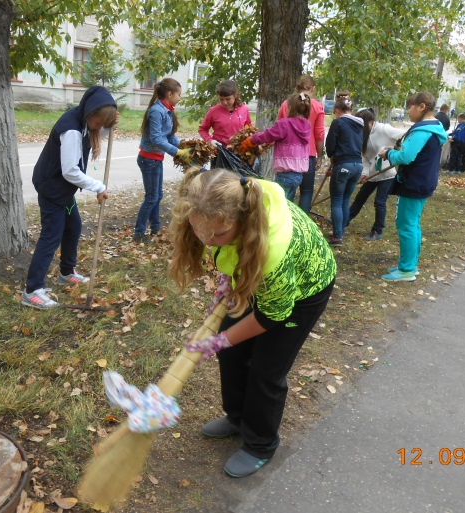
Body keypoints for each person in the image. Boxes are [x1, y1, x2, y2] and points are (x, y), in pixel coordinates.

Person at [168, 167, 336, 478]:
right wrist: (226, 283)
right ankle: (238, 417)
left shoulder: (273, 249)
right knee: (231, 352)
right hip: (260, 276)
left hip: (303, 290)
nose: (207, 240)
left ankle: (261, 443)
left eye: (217, 235)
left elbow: (272, 314)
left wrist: (220, 339)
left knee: (265, 369)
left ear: (242, 222)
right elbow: (230, 251)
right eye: (199, 230)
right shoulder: (226, 210)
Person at [22, 86, 118, 309]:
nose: (99, 129)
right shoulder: (72, 130)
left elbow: (96, 130)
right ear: (90, 114)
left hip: (63, 190)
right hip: (52, 188)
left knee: (73, 226)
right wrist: (98, 186)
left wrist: (110, 124)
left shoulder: (82, 119)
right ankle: (32, 289)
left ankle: (66, 272)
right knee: (51, 236)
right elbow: (70, 171)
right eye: (99, 124)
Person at [377, 91, 447, 282]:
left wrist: (389, 154)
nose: (408, 110)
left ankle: (407, 269)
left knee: (406, 225)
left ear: (422, 106)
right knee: (412, 224)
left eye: (410, 106)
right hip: (424, 181)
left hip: (414, 183)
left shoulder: (421, 131)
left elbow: (406, 157)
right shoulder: (435, 127)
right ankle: (410, 265)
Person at [134, 78, 192, 244]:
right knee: (152, 197)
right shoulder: (156, 111)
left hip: (155, 159)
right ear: (169, 94)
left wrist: (183, 145)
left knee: (157, 196)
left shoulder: (167, 110)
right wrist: (177, 152)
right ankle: (139, 233)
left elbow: (168, 135)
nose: (180, 98)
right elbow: (157, 138)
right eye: (179, 94)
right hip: (148, 159)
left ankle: (155, 228)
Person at [347, 108, 406, 241]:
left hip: (387, 173)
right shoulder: (363, 135)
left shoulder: (384, 129)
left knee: (379, 202)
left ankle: (377, 231)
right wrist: (364, 173)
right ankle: (344, 221)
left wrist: (397, 149)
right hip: (373, 174)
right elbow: (366, 158)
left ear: (371, 121)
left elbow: (405, 135)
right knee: (360, 198)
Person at [241, 93, 311, 201]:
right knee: (288, 205)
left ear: (290, 108)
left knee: (278, 203)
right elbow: (290, 139)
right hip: (298, 175)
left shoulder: (285, 124)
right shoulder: (307, 125)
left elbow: (268, 135)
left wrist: (252, 139)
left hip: (285, 175)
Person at [277, 75, 325, 213]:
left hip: (288, 156)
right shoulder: (317, 107)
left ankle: (285, 220)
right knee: (306, 191)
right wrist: (319, 156)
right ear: (313, 89)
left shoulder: (286, 104)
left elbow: (279, 127)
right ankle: (303, 223)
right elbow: (319, 134)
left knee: (286, 192)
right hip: (308, 155)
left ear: (296, 88)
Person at [324, 97, 364, 247]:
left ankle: (337, 236)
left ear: (338, 111)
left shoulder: (338, 122)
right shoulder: (360, 125)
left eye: (335, 112)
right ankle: (341, 230)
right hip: (357, 165)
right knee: (345, 200)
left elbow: (330, 144)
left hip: (343, 165)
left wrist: (332, 156)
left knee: (336, 200)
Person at [198, 80, 252, 169]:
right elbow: (202, 129)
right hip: (220, 152)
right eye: (221, 99)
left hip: (239, 153)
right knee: (220, 180)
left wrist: (248, 140)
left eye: (228, 99)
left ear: (235, 95)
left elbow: (249, 126)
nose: (224, 102)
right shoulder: (213, 111)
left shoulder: (244, 109)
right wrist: (210, 141)